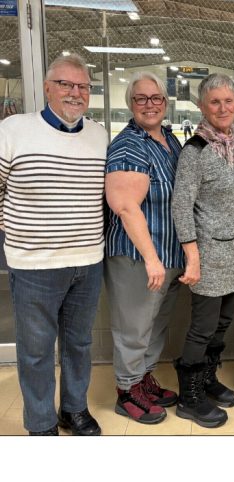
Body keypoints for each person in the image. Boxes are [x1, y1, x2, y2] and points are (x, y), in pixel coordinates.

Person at [0, 54, 107, 435]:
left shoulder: (99, 136)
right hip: (34, 265)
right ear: (48, 88)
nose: (75, 93)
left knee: (79, 344)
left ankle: (74, 409)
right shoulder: (14, 129)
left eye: (83, 86)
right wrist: (16, 230)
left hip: (87, 262)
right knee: (36, 350)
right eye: (66, 84)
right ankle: (41, 422)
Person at [172, 73, 234, 428]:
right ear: (203, 106)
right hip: (207, 256)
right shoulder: (196, 151)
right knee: (203, 328)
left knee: (222, 323)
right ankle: (189, 397)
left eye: (228, 101)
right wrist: (192, 257)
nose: (222, 108)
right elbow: (181, 206)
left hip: (233, 256)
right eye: (214, 102)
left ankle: (207, 378)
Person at [104, 72, 184, 425]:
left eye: (156, 98)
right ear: (131, 104)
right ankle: (126, 391)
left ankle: (143, 379)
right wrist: (152, 259)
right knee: (133, 328)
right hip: (138, 257)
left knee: (155, 325)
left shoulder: (168, 138)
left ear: (165, 103)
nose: (149, 105)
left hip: (168, 254)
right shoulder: (128, 145)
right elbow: (125, 206)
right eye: (141, 98)